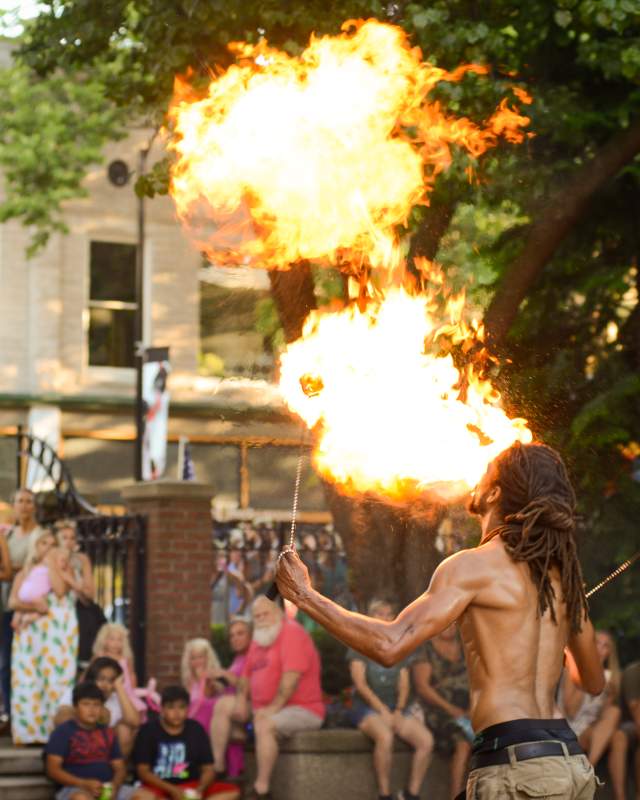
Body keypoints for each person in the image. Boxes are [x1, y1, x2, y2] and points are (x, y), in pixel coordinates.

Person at [275, 441, 605, 799]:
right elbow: (592, 681)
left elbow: (390, 644)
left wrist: (305, 596)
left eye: (486, 470)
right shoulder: (563, 578)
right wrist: (550, 639)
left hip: (516, 769)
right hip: (568, 764)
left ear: (495, 493)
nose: (477, 476)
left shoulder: (472, 566)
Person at [232, 595, 324, 799]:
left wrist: (271, 710)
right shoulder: (258, 639)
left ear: (279, 613)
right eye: (257, 616)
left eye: (265, 614)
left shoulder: (292, 633)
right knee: (222, 707)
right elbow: (245, 677)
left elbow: (290, 680)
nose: (261, 619)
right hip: (262, 707)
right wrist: (240, 700)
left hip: (302, 708)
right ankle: (223, 773)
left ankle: (262, 789)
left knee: (265, 724)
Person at [348, 598, 433, 800]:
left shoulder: (398, 646)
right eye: (380, 614)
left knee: (426, 741)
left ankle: (411, 794)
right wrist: (382, 710)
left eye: (389, 614)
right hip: (367, 707)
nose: (385, 618)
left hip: (395, 707)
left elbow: (404, 684)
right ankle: (384, 793)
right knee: (385, 737)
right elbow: (361, 684)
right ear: (370, 617)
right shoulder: (359, 645)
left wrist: (398, 711)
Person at [10, 528, 78, 744]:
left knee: (54, 679)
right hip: (28, 634)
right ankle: (28, 733)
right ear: (34, 546)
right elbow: (12, 601)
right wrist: (31, 607)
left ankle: (53, 733)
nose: (48, 548)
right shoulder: (24, 572)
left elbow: (59, 591)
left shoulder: (59, 568)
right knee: (28, 681)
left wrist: (51, 565)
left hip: (53, 633)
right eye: (43, 543)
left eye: (52, 544)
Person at [131, 685, 240, 800]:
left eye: (182, 707)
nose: (177, 713)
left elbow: (208, 769)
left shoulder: (196, 729)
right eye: (171, 707)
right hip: (158, 787)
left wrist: (199, 790)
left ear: (188, 708)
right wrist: (172, 790)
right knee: (140, 796)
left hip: (190, 786)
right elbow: (143, 772)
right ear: (162, 709)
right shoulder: (148, 731)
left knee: (233, 792)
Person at [412, 623, 472, 799]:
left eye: (454, 624)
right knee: (463, 741)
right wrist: (452, 710)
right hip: (438, 710)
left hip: (469, 710)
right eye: (446, 623)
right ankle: (456, 796)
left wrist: (473, 708)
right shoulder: (426, 649)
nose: (450, 627)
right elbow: (422, 688)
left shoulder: (466, 646)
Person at [45, 680, 132, 800]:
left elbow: (120, 768)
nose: (92, 710)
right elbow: (53, 770)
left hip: (107, 788)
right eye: (86, 704)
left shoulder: (108, 732)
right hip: (74, 788)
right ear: (75, 707)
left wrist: (115, 786)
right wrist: (83, 783)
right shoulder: (63, 732)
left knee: (146, 797)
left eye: (97, 705)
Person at [1, 487, 45, 716]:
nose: (24, 506)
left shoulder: (39, 535)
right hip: (5, 602)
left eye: (29, 501)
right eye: (20, 501)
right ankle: (8, 712)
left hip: (26, 608)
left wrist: (9, 570)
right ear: (14, 505)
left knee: (17, 662)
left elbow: (35, 568)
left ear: (34, 506)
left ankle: (21, 713)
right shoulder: (8, 534)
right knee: (4, 663)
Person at [55, 656, 141, 757]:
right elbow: (60, 718)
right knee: (66, 714)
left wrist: (119, 687)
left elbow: (135, 722)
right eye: (101, 679)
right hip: (76, 749)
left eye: (111, 681)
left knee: (125, 729)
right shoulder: (75, 691)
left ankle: (115, 765)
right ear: (92, 678)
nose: (105, 685)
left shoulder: (117, 698)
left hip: (105, 752)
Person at [558, 628, 621, 766]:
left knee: (614, 713)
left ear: (609, 653)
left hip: (589, 731)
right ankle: (589, 770)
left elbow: (604, 720)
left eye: (605, 646)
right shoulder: (572, 668)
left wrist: (606, 694)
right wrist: (587, 674)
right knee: (616, 732)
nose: (600, 649)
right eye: (597, 643)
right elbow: (571, 711)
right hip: (568, 728)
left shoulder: (609, 678)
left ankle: (589, 767)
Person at [54, 520, 101, 670]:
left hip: (78, 611)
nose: (68, 541)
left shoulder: (82, 560)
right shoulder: (49, 560)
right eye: (64, 537)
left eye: (72, 537)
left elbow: (89, 595)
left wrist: (72, 581)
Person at [210, 617, 253, 778]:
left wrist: (227, 675)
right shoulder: (238, 658)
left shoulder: (255, 655)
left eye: (240, 633)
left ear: (251, 635)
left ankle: (218, 766)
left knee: (220, 706)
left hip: (250, 707)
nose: (235, 638)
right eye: (232, 635)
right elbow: (232, 686)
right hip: (233, 707)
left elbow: (253, 687)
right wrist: (217, 684)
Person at [93, 622, 148, 717]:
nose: (116, 643)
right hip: (105, 693)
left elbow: (132, 675)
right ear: (103, 640)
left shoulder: (125, 658)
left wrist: (132, 690)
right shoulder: (99, 656)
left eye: (119, 640)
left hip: (125, 693)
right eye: (112, 639)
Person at [608, 660, 640, 800]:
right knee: (619, 736)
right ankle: (620, 796)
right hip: (630, 723)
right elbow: (636, 712)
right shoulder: (633, 672)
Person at [181, 638, 226, 732]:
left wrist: (203, 678)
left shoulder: (213, 678)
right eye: (193, 658)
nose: (197, 661)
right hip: (193, 722)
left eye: (200, 657)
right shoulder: (190, 681)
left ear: (207, 658)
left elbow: (206, 696)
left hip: (210, 722)